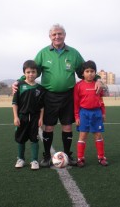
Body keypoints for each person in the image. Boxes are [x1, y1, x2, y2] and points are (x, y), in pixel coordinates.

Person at [13, 24, 104, 167]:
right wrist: (19, 81)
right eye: (54, 34)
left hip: (68, 95)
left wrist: (98, 78)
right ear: (50, 37)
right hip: (48, 96)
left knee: (67, 126)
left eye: (60, 34)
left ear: (64, 35)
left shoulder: (73, 53)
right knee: (48, 127)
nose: (57, 36)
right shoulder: (43, 53)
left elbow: (85, 70)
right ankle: (47, 156)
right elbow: (31, 69)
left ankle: (68, 155)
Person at [74, 60, 108, 167]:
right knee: (83, 135)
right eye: (87, 71)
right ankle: (80, 158)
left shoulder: (98, 85)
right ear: (83, 73)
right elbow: (76, 102)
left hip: (96, 113)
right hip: (84, 113)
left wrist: (103, 113)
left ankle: (101, 157)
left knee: (98, 135)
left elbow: (101, 99)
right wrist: (76, 116)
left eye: (92, 71)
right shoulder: (78, 86)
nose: (90, 73)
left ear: (95, 72)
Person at [12, 60, 45, 170]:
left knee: (34, 138)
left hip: (35, 117)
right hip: (22, 117)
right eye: (28, 72)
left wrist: (41, 118)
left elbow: (41, 106)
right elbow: (15, 103)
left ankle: (34, 160)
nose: (31, 74)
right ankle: (20, 158)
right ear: (24, 73)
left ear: (37, 73)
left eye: (33, 72)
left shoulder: (40, 88)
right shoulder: (19, 86)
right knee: (21, 138)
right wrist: (16, 117)